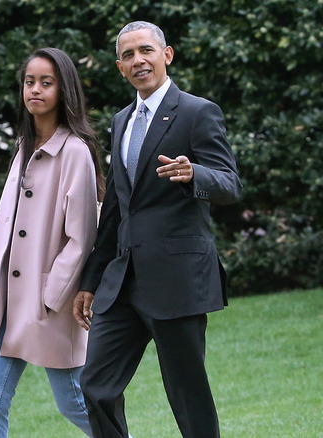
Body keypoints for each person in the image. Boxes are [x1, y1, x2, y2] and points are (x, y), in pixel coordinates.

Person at [73, 21, 241, 438]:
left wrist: (194, 173)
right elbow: (114, 208)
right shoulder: (121, 121)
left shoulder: (198, 112)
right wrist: (90, 281)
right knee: (95, 387)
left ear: (166, 56)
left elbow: (230, 185)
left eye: (146, 51)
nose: (138, 60)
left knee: (187, 395)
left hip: (177, 282)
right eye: (128, 55)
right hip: (123, 283)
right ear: (119, 67)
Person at [0, 47, 105, 437]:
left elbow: (82, 237)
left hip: (48, 302)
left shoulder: (75, 153)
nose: (35, 90)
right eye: (30, 82)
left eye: (47, 82)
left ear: (64, 91)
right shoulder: (23, 147)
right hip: (6, 300)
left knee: (75, 403)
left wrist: (50, 294)